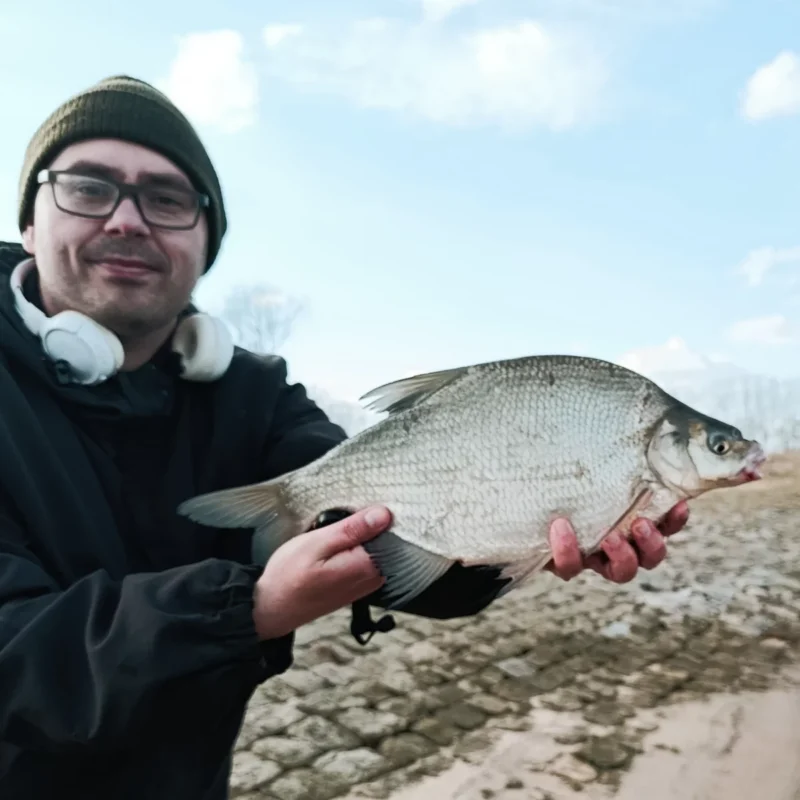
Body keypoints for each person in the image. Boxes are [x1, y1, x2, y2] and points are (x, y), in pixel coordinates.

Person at [0, 75, 689, 797]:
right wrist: (253, 607)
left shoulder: (255, 394)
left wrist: (509, 537)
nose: (128, 220)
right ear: (29, 223)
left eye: (168, 199)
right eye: (87, 187)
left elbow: (373, 534)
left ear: (206, 242)